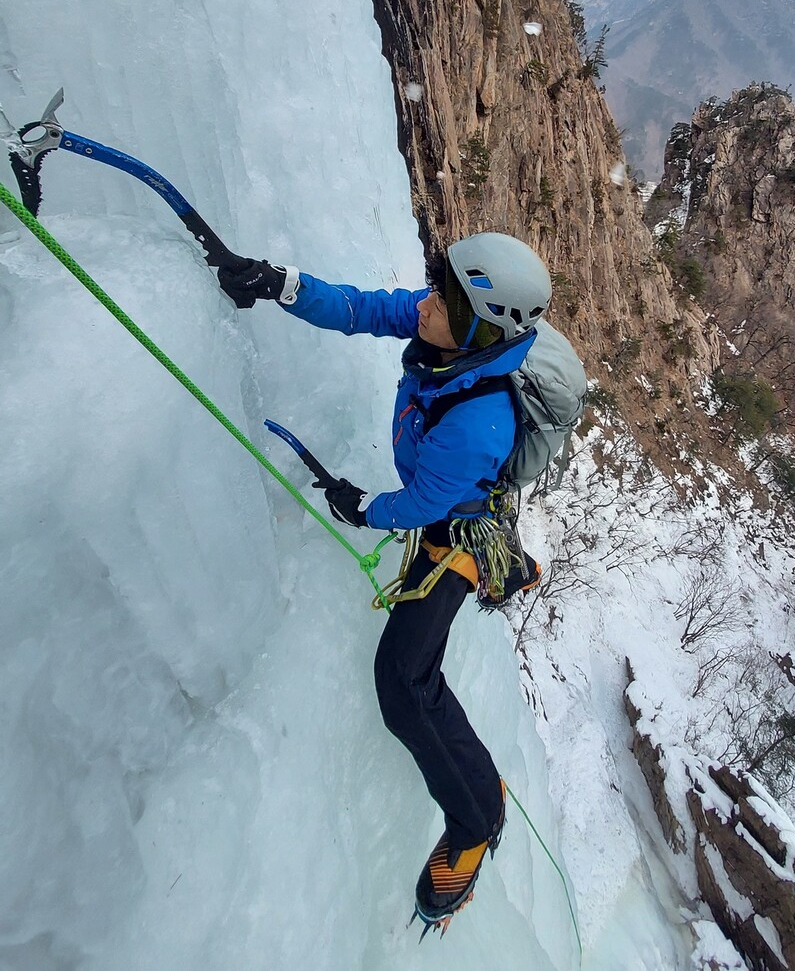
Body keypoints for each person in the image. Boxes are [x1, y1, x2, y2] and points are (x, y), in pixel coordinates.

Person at [217, 231, 550, 931]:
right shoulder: (449, 332)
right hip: (445, 507)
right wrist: (282, 281)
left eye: (443, 300)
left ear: (479, 328)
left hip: (460, 535)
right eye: (435, 290)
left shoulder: (480, 420)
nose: (424, 304)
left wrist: (365, 506)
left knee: (403, 683)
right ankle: (483, 789)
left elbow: (428, 502)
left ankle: (472, 820)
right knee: (415, 676)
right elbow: (363, 307)